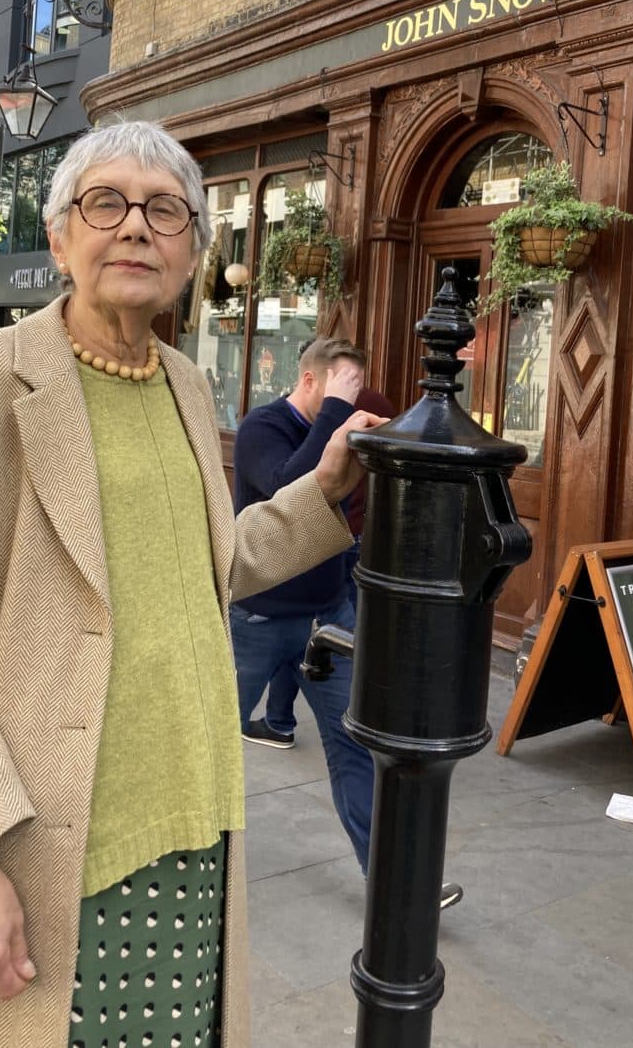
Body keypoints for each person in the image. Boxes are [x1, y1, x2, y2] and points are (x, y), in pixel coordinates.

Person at [0, 122, 383, 1048]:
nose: (136, 226)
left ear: (194, 253)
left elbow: (202, 567)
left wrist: (322, 490)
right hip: (38, 845)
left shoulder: (185, 383)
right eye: (106, 202)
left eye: (166, 209)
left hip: (193, 828)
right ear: (59, 239)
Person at [231, 339, 374, 872]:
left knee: (356, 745)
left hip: (326, 617)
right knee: (212, 741)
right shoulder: (260, 428)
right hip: (257, 616)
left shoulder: (339, 427)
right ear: (310, 380)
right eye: (343, 386)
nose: (352, 397)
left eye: (356, 387)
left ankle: (392, 882)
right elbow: (289, 490)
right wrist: (336, 416)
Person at [255, 382, 396, 750]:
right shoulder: (376, 405)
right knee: (346, 634)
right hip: (358, 536)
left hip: (329, 534)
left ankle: (280, 720)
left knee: (307, 630)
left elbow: (288, 482)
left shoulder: (327, 413)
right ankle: (358, 712)